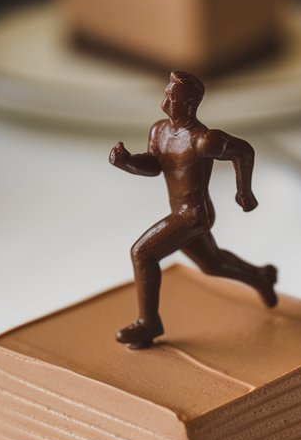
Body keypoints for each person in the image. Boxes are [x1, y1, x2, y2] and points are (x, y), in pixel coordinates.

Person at [109, 70, 278, 347]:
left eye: (172, 96)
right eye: (166, 93)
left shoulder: (203, 140)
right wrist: (126, 162)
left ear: (189, 104)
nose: (165, 100)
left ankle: (148, 322)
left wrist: (243, 190)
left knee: (142, 253)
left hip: (193, 216)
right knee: (213, 264)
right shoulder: (159, 130)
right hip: (181, 216)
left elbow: (244, 151)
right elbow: (154, 165)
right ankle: (261, 278)